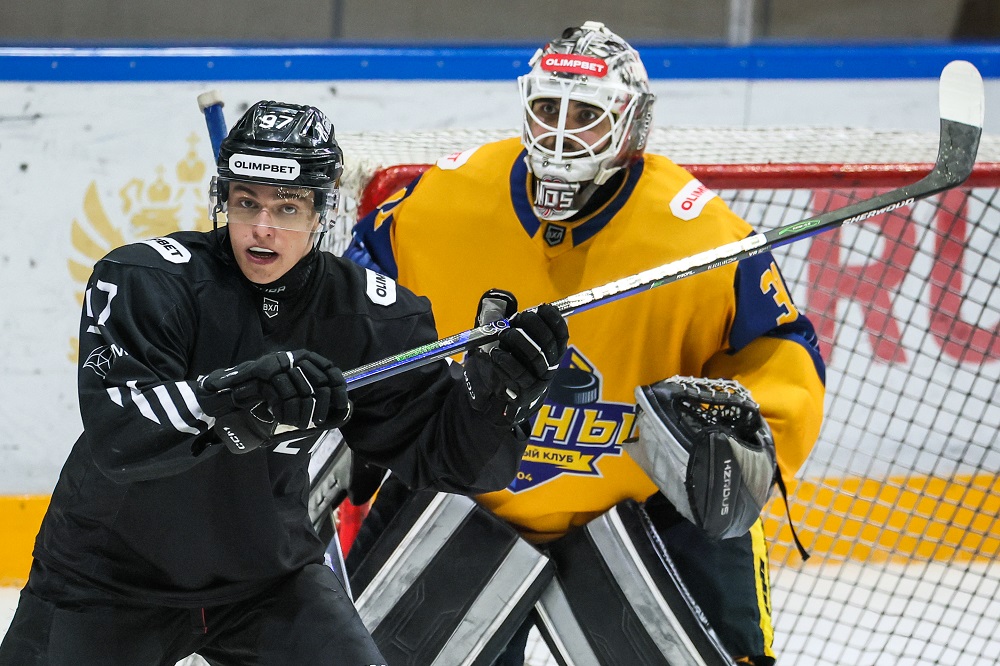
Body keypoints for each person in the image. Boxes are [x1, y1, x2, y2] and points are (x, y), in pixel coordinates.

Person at [0, 100, 568, 666]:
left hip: (267, 582)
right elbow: (121, 437)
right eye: (247, 202)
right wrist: (241, 398)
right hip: (108, 580)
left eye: (288, 207)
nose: (263, 227)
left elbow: (457, 462)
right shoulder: (148, 281)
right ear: (222, 201)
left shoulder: (370, 316)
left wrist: (496, 397)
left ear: (323, 212)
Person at [345, 21, 825, 666]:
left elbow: (779, 345)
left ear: (631, 125)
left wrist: (752, 437)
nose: (563, 132)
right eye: (548, 109)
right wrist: (367, 407)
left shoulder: (700, 235)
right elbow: (351, 306)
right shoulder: (443, 202)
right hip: (461, 495)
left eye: (589, 114)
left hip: (646, 511)